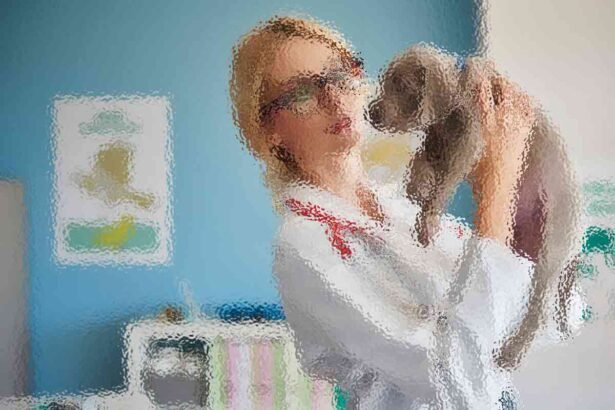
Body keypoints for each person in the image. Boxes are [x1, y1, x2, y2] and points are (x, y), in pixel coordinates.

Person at [229, 15, 582, 409]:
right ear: (269, 131)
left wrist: (520, 187)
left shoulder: (405, 211)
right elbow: (453, 381)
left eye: (339, 75)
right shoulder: (304, 244)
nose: (334, 98)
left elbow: (556, 319)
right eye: (302, 92)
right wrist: (498, 184)